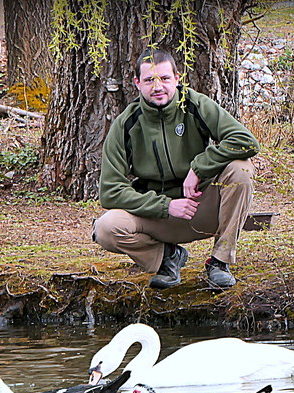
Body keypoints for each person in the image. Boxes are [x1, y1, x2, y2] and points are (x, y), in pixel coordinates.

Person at [93, 48, 260, 289]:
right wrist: (166, 206)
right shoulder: (126, 124)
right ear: (137, 83)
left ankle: (219, 262)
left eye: (164, 78)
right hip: (157, 218)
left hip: (200, 208)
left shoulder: (196, 104)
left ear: (177, 79)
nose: (157, 86)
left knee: (240, 169)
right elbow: (110, 191)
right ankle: (167, 258)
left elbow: (246, 142)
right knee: (105, 228)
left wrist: (199, 168)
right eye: (149, 80)